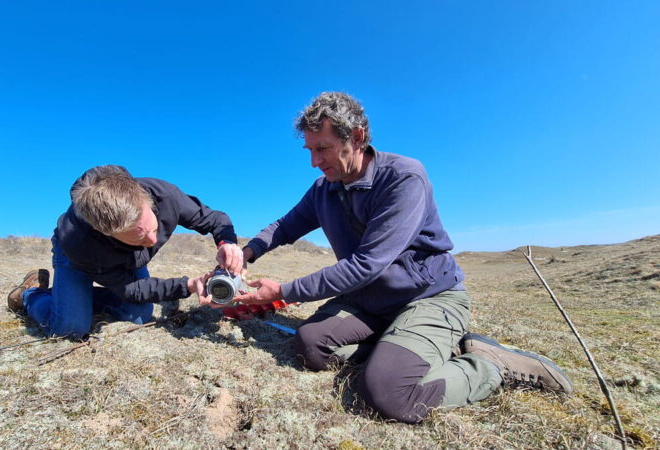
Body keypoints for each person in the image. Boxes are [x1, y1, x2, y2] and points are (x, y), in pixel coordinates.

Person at [233, 92, 572, 423]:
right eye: (310, 150)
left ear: (357, 137)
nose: (314, 162)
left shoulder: (403, 178)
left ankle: (489, 364)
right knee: (310, 346)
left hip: (427, 298)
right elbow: (285, 226)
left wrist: (283, 292)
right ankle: (401, 349)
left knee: (388, 392)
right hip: (369, 302)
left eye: (322, 148)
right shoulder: (324, 189)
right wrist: (245, 252)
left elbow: (367, 264)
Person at [7, 165, 242, 340]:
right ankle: (31, 294)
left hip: (125, 258)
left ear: (146, 200)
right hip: (76, 257)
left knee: (138, 315)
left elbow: (215, 219)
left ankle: (68, 297)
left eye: (153, 228)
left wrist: (227, 243)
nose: (153, 241)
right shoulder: (82, 243)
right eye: (139, 238)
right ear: (107, 232)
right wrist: (189, 285)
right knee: (70, 329)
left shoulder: (165, 196)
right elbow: (133, 289)